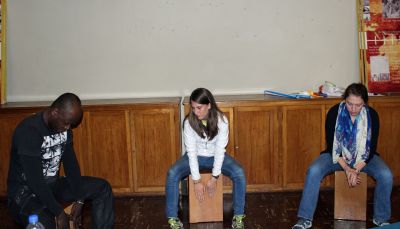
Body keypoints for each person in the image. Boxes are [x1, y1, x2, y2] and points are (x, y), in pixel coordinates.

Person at [292, 83, 393, 228]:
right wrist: (347, 168)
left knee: (386, 175)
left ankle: (381, 219)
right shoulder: (334, 112)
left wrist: (357, 168)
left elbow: (371, 148)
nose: (353, 109)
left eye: (358, 105)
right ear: (344, 100)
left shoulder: (372, 115)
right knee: (314, 170)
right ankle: (304, 219)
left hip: (364, 157)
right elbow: (332, 144)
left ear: (364, 103)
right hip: (336, 155)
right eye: (349, 104)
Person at [7, 93, 115, 229]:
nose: (68, 128)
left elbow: (71, 165)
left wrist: (80, 199)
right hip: (25, 194)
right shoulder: (29, 131)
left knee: (102, 188)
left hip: (53, 185)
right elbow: (35, 181)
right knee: (47, 221)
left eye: (71, 124)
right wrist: (59, 212)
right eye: (66, 122)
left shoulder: (63, 128)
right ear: (55, 112)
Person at [165, 88, 247, 229]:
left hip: (216, 155)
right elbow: (191, 153)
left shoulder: (222, 121)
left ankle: (238, 216)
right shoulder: (188, 122)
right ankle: (173, 218)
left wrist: (214, 178)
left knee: (239, 173)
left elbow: (220, 150)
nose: (196, 112)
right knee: (172, 173)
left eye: (199, 107)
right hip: (195, 156)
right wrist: (197, 181)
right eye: (193, 108)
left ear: (209, 105)